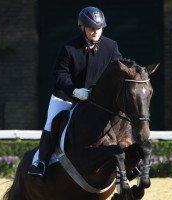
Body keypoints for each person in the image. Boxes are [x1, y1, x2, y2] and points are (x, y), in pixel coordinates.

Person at [27, 6, 122, 177]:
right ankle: (40, 162)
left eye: (98, 28)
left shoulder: (111, 46)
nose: (95, 32)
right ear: (83, 27)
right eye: (91, 28)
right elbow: (59, 74)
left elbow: (118, 69)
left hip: (95, 99)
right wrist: (74, 90)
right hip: (66, 96)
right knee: (51, 123)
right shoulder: (69, 48)